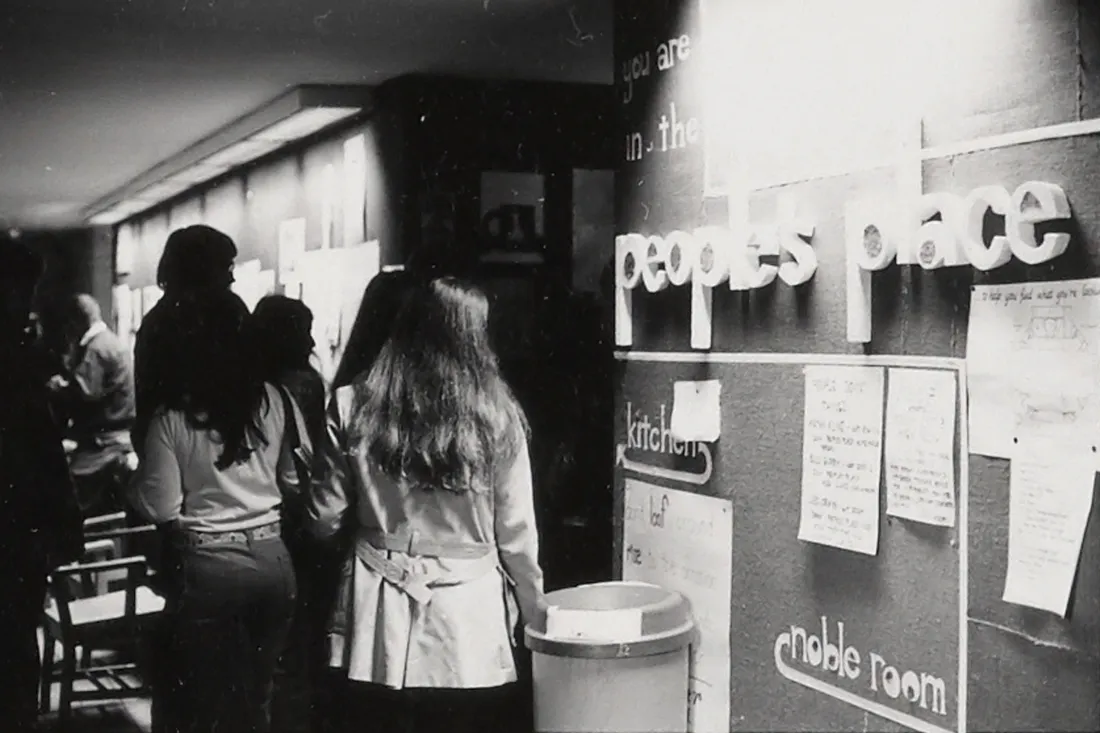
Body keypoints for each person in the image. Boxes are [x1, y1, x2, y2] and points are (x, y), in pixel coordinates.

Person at [308, 276, 544, 733]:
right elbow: (517, 536)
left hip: (375, 610)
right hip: (467, 614)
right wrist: (534, 614)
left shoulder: (351, 402)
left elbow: (324, 518)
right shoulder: (498, 416)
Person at [127, 288, 308, 733]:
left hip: (206, 566)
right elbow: (292, 480)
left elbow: (162, 504)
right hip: (272, 559)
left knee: (197, 704)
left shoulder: (172, 416)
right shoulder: (275, 398)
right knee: (256, 696)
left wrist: (131, 488)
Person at [0, 242, 84, 731]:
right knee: (14, 648)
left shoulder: (24, 354)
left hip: (18, 529)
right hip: (17, 529)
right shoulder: (21, 357)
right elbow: (41, 448)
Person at [133, 224, 242, 455]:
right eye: (225, 266)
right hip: (210, 442)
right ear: (203, 269)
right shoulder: (231, 312)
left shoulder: (156, 321)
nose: (231, 276)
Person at [47, 293, 137, 517]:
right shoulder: (114, 343)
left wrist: (57, 387)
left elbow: (84, 392)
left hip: (101, 448)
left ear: (76, 322)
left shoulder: (96, 349)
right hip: (123, 441)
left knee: (62, 492)